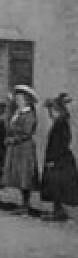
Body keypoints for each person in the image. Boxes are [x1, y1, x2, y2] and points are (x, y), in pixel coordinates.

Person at [3, 84, 40, 215]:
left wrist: (13, 139)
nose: (17, 100)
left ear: (26, 99)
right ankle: (22, 204)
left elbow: (27, 132)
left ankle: (25, 205)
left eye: (19, 98)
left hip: (24, 148)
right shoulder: (17, 113)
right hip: (17, 148)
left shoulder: (29, 113)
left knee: (25, 176)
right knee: (19, 176)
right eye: (16, 98)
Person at [41, 93, 78, 222]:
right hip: (59, 158)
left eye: (52, 111)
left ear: (58, 111)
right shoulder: (59, 123)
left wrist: (52, 159)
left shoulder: (61, 124)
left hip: (59, 160)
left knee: (57, 185)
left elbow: (60, 143)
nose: (50, 114)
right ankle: (58, 211)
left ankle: (59, 212)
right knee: (54, 185)